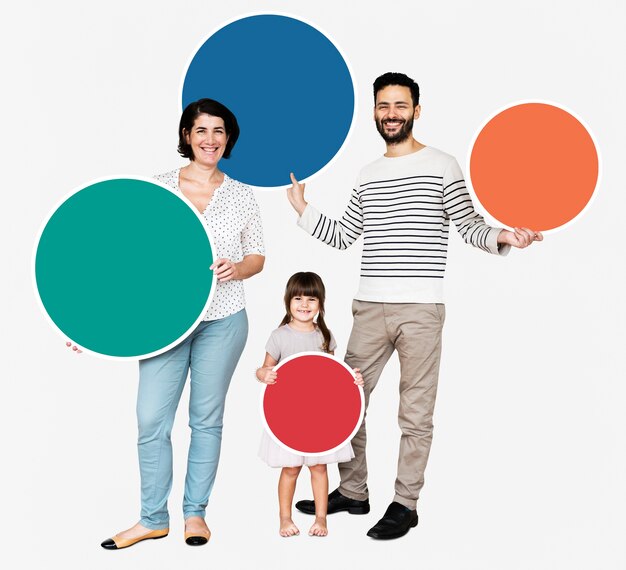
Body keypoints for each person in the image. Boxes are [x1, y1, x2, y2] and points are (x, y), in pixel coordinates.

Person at [286, 72, 543, 540]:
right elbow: (345, 236)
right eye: (383, 106)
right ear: (374, 112)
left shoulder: (442, 165)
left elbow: (468, 225)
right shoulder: (367, 174)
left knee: (415, 413)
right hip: (369, 305)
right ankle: (355, 490)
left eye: (400, 105)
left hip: (421, 310)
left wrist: (503, 235)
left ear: (416, 110)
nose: (391, 114)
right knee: (346, 402)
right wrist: (303, 210)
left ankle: (405, 503)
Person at [101, 98, 265, 549]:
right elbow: (127, 260)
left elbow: (258, 255)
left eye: (218, 130)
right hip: (166, 322)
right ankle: (152, 517)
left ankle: (195, 515)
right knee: (151, 420)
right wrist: (90, 323)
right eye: (200, 130)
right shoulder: (158, 188)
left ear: (227, 138)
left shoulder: (241, 194)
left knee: (206, 420)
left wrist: (240, 267)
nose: (209, 139)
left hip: (224, 320)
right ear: (186, 137)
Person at [256, 272, 364, 538]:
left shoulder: (324, 335)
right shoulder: (279, 336)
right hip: (287, 416)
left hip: (318, 417)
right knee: (290, 468)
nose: (304, 304)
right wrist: (263, 374)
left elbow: (333, 375)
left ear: (320, 303)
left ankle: (321, 519)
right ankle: (284, 519)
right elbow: (263, 369)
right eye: (298, 298)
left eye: (311, 299)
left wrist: (353, 378)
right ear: (288, 302)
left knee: (318, 467)